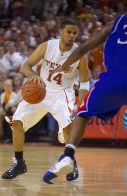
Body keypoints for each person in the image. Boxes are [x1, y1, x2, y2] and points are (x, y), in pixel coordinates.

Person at [1, 18, 90, 181]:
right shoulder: (47, 46)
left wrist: (81, 103)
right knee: (17, 122)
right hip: (41, 90)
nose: (72, 36)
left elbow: (84, 82)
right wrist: (35, 76)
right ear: (61, 32)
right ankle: (19, 163)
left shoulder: (80, 54)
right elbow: (25, 67)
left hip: (63, 93)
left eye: (74, 33)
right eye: (69, 32)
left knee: (67, 129)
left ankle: (71, 162)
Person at [43, 14, 127, 183]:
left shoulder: (116, 23)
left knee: (82, 114)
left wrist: (62, 68)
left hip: (114, 79)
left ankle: (68, 155)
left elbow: (81, 49)